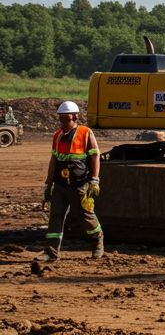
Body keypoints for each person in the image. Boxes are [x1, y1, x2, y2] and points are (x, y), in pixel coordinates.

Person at [41, 100, 103, 261]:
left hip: (80, 184)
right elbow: (54, 160)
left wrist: (94, 180)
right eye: (60, 117)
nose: (62, 120)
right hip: (60, 185)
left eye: (66, 117)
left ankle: (97, 242)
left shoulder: (85, 132)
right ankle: (51, 251)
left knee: (85, 215)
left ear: (75, 116)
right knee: (55, 216)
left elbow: (95, 156)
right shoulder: (57, 135)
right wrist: (48, 184)